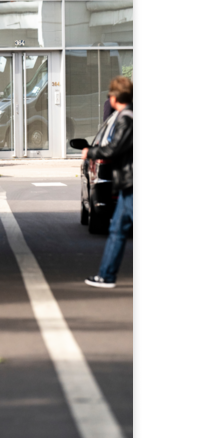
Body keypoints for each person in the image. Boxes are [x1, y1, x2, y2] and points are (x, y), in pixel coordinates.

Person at [83, 77, 133, 288]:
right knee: (117, 231)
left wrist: (91, 151)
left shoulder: (125, 118)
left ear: (113, 98)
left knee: (117, 231)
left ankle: (106, 275)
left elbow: (114, 148)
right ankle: (106, 275)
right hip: (127, 184)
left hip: (131, 184)